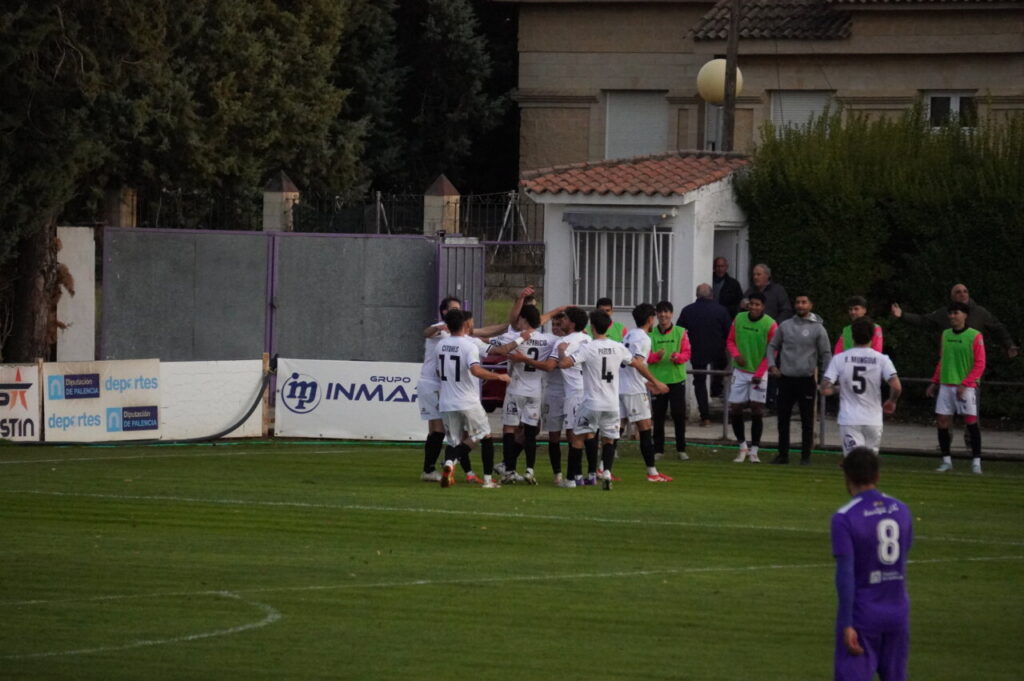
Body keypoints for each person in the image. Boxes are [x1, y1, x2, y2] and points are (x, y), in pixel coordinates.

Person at [560, 310, 667, 490]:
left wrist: (562, 351)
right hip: (612, 404)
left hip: (591, 402)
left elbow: (564, 364)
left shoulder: (588, 348)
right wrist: (655, 381)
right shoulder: (618, 347)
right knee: (609, 439)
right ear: (609, 326)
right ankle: (607, 472)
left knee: (578, 438)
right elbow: (637, 364)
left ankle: (570, 480)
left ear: (592, 327)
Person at [831, 447, 913, 681]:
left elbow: (845, 575)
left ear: (847, 477)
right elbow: (904, 551)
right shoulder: (901, 510)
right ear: (877, 476)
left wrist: (846, 623)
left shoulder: (844, 517)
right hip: (897, 611)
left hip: (863, 615)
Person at [420, 297, 511, 483]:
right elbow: (476, 369)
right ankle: (483, 478)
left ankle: (454, 467)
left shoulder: (441, 345)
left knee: (453, 440)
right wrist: (499, 376)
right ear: (464, 323)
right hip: (466, 399)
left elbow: (439, 370)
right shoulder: (468, 344)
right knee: (484, 435)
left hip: (446, 399)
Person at [767, 294, 832, 465]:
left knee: (807, 420)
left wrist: (826, 377)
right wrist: (772, 365)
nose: (800, 305)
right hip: (786, 379)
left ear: (810, 305)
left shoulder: (818, 328)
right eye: (798, 302)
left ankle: (805, 456)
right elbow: (772, 345)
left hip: (806, 379)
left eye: (804, 302)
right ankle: (782, 454)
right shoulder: (785, 326)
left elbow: (826, 354)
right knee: (783, 419)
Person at [821, 318, 902, 455]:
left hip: (849, 419)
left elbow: (825, 388)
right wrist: (892, 401)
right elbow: (897, 386)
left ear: (852, 336)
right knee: (869, 463)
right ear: (872, 336)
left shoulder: (840, 358)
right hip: (873, 419)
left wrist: (837, 389)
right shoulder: (882, 359)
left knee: (853, 462)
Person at [495, 305, 556, 485]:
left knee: (509, 429)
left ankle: (509, 471)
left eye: (519, 319)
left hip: (515, 389)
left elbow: (491, 342)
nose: (517, 323)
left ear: (524, 319)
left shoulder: (514, 337)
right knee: (530, 432)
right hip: (535, 390)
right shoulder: (548, 339)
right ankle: (530, 470)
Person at [927, 301, 986, 474]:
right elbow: (943, 360)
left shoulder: (975, 336)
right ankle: (946, 461)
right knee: (942, 422)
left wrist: (965, 383)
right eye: (951, 313)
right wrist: (934, 381)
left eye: (956, 313)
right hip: (946, 385)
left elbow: (980, 364)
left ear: (965, 315)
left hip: (966, 387)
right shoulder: (945, 334)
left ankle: (976, 462)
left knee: (971, 424)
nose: (952, 316)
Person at [621, 303, 673, 482]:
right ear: (650, 319)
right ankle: (652, 473)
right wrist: (654, 381)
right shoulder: (644, 338)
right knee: (645, 428)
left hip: (621, 386)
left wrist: (647, 383)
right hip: (633, 390)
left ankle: (602, 469)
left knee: (617, 428)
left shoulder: (628, 334)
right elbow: (637, 362)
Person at [891, 283, 1018, 358]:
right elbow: (923, 320)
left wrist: (1009, 345)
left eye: (965, 291)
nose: (962, 294)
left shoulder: (980, 312)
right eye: (958, 292)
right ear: (952, 297)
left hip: (971, 362)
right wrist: (902, 315)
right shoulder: (944, 313)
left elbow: (998, 328)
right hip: (950, 361)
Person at [727, 292, 776, 463]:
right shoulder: (739, 318)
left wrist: (759, 373)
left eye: (758, 305)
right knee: (736, 408)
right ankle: (742, 447)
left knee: (757, 409)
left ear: (763, 307)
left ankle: (754, 450)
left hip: (759, 371)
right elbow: (730, 340)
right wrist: (736, 355)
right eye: (752, 304)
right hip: (740, 371)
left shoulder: (770, 324)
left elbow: (773, 350)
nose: (754, 307)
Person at [678, 284, 732, 426]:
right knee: (721, 378)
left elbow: (679, 333)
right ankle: (720, 401)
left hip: (697, 351)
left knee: (700, 383)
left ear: (697, 295)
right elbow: (730, 334)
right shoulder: (721, 311)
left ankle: (705, 417)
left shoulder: (687, 311)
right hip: (718, 352)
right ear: (712, 295)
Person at [647, 300, 692, 461]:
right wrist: (655, 357)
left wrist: (678, 357)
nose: (663, 315)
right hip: (657, 382)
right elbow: (645, 357)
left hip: (676, 379)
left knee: (678, 415)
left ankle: (681, 449)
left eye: (666, 312)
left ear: (671, 314)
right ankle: (658, 449)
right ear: (656, 315)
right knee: (658, 416)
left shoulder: (680, 332)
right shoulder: (650, 334)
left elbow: (687, 353)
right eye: (660, 312)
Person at [555, 306, 593, 486]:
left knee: (573, 434)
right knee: (589, 433)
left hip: (574, 392)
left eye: (565, 318)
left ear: (572, 323)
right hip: (589, 391)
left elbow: (558, 364)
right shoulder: (588, 339)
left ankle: (573, 477)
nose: (561, 321)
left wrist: (562, 350)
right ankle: (590, 474)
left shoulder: (564, 342)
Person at [542, 311, 569, 485]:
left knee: (577, 434)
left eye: (560, 325)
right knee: (554, 435)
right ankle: (557, 473)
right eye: (554, 325)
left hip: (573, 393)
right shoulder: (548, 342)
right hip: (553, 392)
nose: (556, 328)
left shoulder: (573, 341)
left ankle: (581, 472)